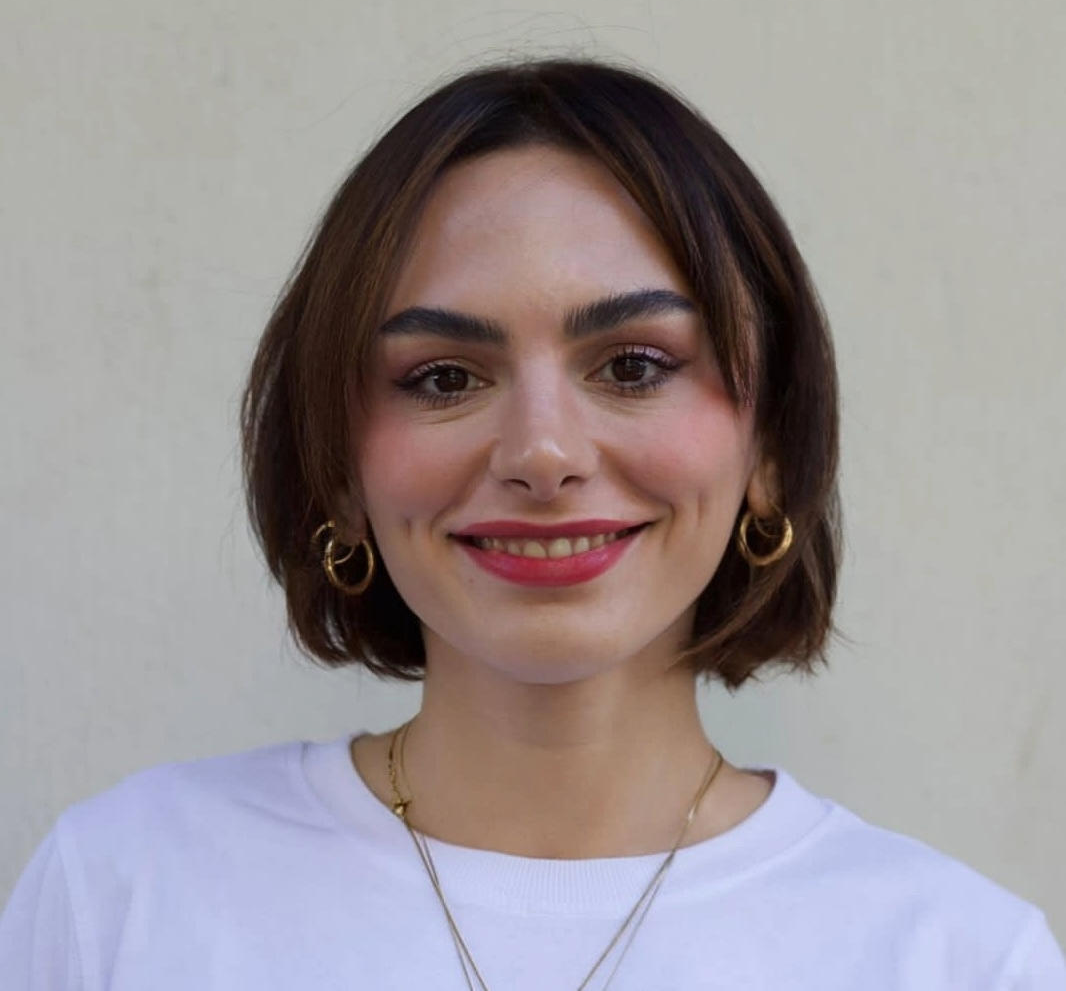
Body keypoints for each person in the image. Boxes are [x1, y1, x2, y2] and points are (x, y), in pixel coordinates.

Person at [1, 57, 1063, 990]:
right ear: (336, 467)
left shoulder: (959, 961)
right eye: (444, 377)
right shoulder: (123, 896)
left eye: (634, 366)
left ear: (770, 446)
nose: (543, 453)